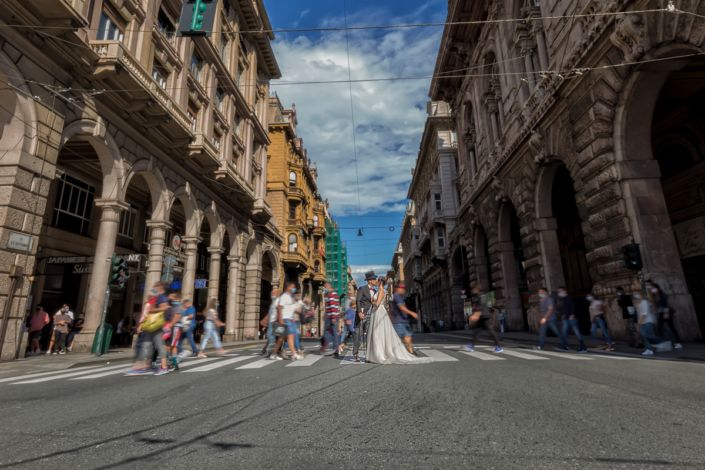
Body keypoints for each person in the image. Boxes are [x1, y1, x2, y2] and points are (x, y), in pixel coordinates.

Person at [366, 278, 431, 365]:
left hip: (378, 312)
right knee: (379, 334)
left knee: (378, 334)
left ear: (380, 282)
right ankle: (378, 354)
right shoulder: (383, 291)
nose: (375, 282)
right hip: (378, 312)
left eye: (377, 281)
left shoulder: (381, 291)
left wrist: (371, 301)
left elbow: (377, 304)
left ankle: (380, 355)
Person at [127, 282, 170, 376]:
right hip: (151, 325)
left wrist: (151, 309)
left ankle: (164, 367)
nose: (153, 289)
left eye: (155, 287)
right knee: (147, 344)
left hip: (157, 325)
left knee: (159, 345)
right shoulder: (158, 297)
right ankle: (145, 365)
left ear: (160, 287)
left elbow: (164, 308)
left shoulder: (162, 297)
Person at [270, 283, 303, 361]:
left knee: (281, 338)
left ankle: (274, 354)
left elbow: (294, 308)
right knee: (291, 336)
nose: (293, 289)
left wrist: (300, 309)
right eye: (292, 287)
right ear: (287, 287)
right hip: (285, 319)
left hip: (290, 319)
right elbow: (279, 307)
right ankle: (294, 354)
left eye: (294, 287)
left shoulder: (291, 297)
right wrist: (280, 319)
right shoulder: (284, 296)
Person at [464, 288, 503, 353]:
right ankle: (472, 345)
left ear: (477, 290)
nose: (472, 290)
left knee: (490, 331)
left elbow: (480, 306)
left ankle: (498, 346)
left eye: (474, 289)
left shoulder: (480, 296)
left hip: (485, 316)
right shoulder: (480, 296)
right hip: (483, 316)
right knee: (477, 331)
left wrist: (475, 315)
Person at [649, 282, 683, 350]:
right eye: (651, 289)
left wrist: (666, 313)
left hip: (666, 312)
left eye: (653, 288)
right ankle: (671, 342)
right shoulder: (655, 296)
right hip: (661, 313)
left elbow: (666, 304)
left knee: (666, 327)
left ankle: (676, 343)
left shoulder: (662, 295)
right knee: (665, 327)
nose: (652, 289)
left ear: (657, 288)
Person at [353, 271, 378, 362]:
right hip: (361, 314)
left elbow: (374, 303)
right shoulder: (362, 288)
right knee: (358, 335)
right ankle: (355, 354)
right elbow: (358, 300)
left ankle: (368, 356)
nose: (376, 281)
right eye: (374, 279)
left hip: (371, 315)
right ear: (370, 280)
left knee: (368, 336)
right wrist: (359, 312)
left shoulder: (375, 291)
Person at [634, 289, 668, 356]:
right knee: (644, 336)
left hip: (648, 321)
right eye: (634, 294)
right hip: (642, 322)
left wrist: (639, 324)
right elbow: (639, 314)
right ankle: (649, 349)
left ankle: (661, 342)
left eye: (637, 294)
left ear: (640, 295)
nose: (635, 295)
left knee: (648, 335)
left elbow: (644, 314)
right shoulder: (637, 303)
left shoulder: (644, 302)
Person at [557, 287, 587, 352]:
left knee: (577, 333)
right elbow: (564, 309)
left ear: (565, 291)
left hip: (571, 318)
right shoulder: (563, 299)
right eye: (558, 291)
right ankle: (565, 346)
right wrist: (563, 315)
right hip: (566, 318)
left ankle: (583, 347)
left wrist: (572, 314)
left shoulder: (568, 298)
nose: (559, 293)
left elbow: (572, 306)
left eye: (560, 291)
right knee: (564, 333)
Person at [320, 282, 342, 357]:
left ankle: (335, 349)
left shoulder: (332, 295)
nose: (324, 288)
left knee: (332, 333)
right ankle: (328, 347)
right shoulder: (331, 294)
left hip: (331, 317)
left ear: (328, 286)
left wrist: (333, 317)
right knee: (330, 333)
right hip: (330, 317)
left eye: (325, 287)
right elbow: (332, 306)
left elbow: (333, 307)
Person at [260, 289, 281, 356]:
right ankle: (272, 351)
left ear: (277, 294)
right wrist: (265, 319)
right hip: (272, 322)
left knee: (271, 336)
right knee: (272, 336)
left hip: (275, 322)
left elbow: (279, 312)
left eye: (274, 293)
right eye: (272, 293)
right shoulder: (273, 302)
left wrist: (279, 320)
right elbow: (270, 313)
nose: (272, 295)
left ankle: (272, 351)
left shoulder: (278, 301)